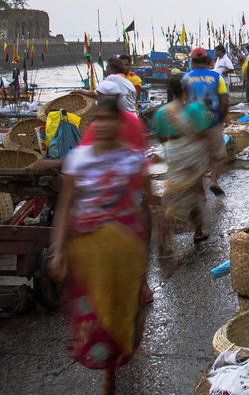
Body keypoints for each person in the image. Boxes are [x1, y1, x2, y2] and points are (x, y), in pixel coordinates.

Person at [47, 96, 152, 395]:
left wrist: (163, 244)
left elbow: (146, 205)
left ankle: (113, 367)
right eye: (98, 120)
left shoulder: (133, 159)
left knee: (125, 312)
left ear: (120, 123)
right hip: (89, 251)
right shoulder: (78, 159)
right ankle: (108, 371)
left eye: (109, 119)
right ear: (93, 124)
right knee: (97, 315)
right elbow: (65, 206)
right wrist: (57, 250)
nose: (104, 125)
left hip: (126, 249)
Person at [152, 77, 211, 270]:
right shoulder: (194, 109)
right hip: (191, 152)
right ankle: (198, 230)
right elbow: (203, 133)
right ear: (186, 90)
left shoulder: (162, 112)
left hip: (174, 151)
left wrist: (172, 149)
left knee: (175, 186)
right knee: (196, 189)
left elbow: (161, 137)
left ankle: (168, 228)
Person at [182, 47, 228, 195]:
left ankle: (199, 188)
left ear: (192, 61)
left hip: (192, 124)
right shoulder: (216, 77)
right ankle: (214, 180)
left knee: (195, 157)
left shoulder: (185, 78)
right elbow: (224, 101)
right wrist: (219, 119)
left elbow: (180, 102)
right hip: (212, 120)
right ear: (208, 61)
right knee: (218, 155)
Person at [74, 58, 139, 115]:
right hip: (134, 120)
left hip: (124, 122)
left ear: (111, 69)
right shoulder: (128, 83)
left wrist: (78, 91)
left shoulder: (112, 78)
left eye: (106, 69)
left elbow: (93, 94)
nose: (105, 72)